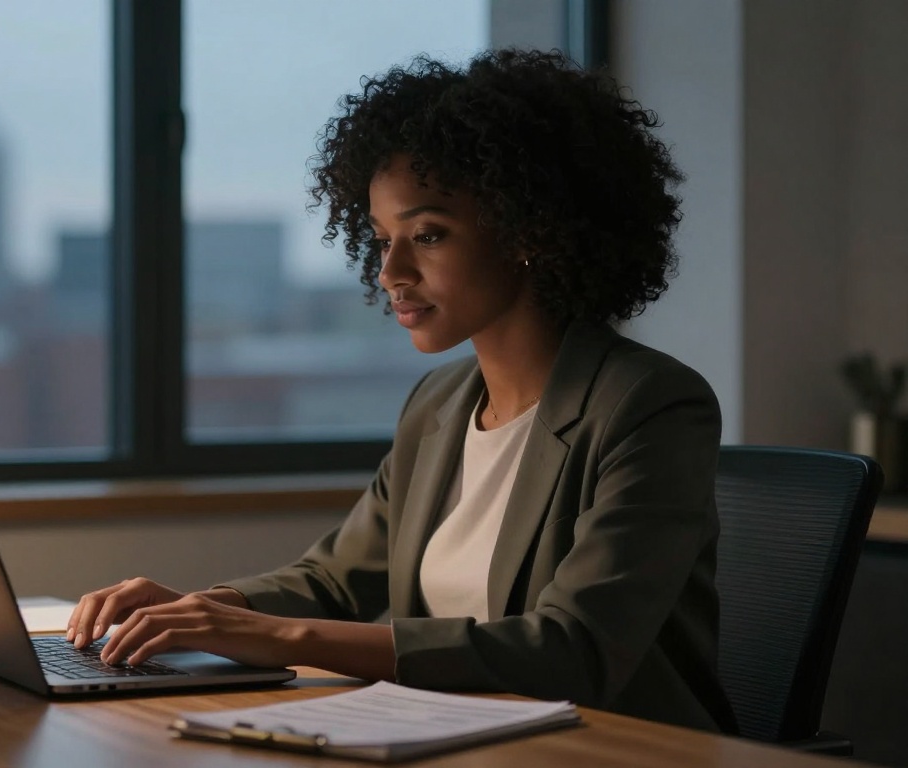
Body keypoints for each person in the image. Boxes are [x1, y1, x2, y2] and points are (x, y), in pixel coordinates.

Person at [67, 48, 737, 733]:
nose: (390, 270)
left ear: (531, 229)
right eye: (382, 238)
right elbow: (335, 581)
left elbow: (573, 651)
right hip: (457, 736)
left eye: (428, 234)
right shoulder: (439, 405)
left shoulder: (649, 404)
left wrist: (275, 638)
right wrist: (198, 609)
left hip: (614, 751)